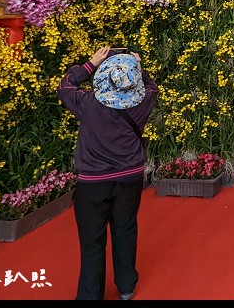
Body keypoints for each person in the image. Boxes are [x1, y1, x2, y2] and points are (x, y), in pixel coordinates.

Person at [58, 46, 158, 301]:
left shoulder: (87, 103)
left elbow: (66, 86)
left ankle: (91, 294)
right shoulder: (142, 102)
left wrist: (90, 63)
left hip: (93, 181)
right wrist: (138, 66)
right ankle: (126, 286)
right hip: (129, 177)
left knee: (92, 240)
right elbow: (151, 87)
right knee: (125, 229)